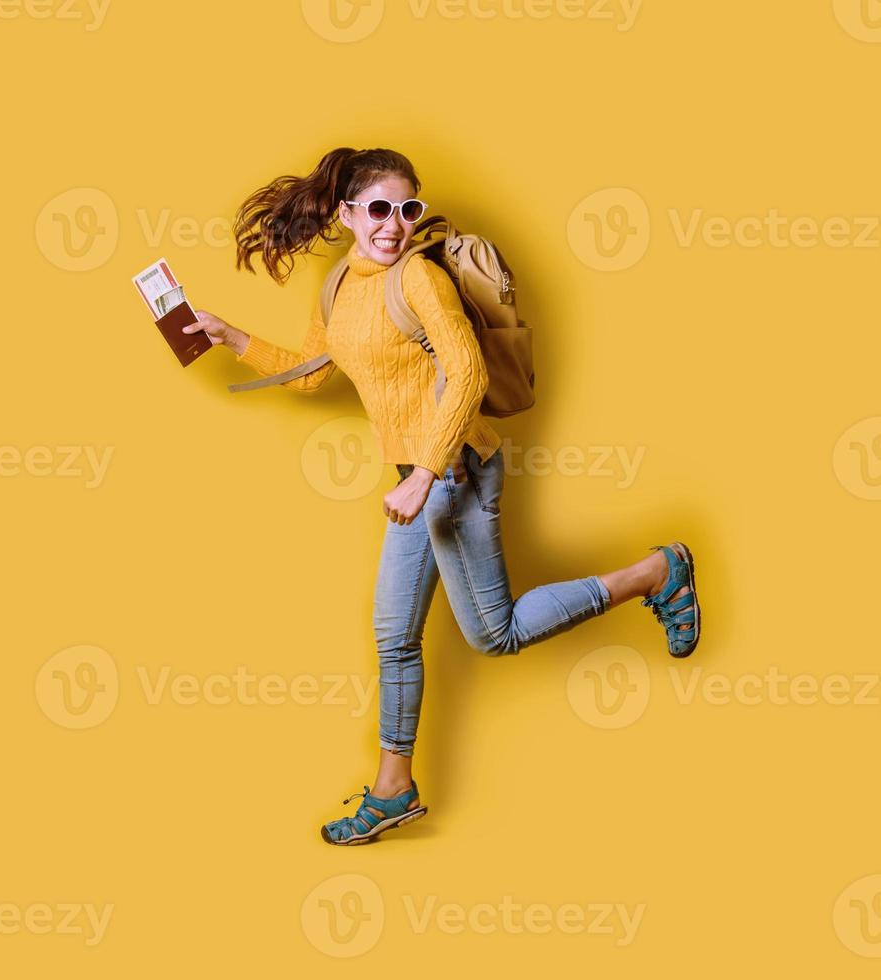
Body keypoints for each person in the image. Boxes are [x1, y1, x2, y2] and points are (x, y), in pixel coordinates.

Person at [184, 147, 700, 845]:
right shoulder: (340, 283)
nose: (392, 225)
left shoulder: (421, 278)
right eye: (377, 210)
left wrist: (427, 473)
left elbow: (465, 375)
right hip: (415, 481)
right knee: (394, 638)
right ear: (345, 215)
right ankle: (394, 787)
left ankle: (657, 572)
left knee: (493, 636)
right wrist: (230, 337)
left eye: (407, 209)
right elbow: (312, 372)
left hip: (456, 470)